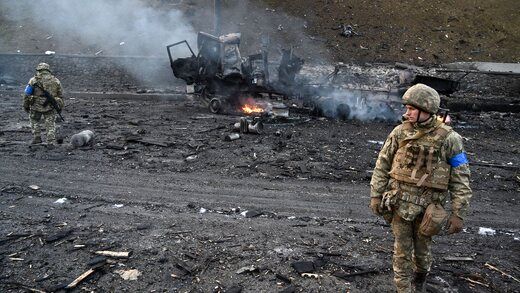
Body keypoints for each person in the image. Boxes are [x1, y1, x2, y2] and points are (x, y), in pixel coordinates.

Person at [369, 83, 472, 293]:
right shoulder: (399, 133)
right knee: (401, 252)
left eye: (412, 109)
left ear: (426, 110)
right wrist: (376, 195)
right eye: (407, 108)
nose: (407, 113)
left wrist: (458, 213)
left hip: (429, 208)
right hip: (399, 203)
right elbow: (383, 164)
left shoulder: (450, 139)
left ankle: (420, 278)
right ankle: (403, 289)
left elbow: (461, 177)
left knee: (423, 252)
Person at [23, 62, 64, 146]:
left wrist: (26, 105)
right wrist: (60, 106)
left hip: (35, 105)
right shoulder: (56, 80)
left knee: (34, 120)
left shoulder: (33, 80)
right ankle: (50, 141)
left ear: (39, 70)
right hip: (50, 106)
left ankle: (37, 138)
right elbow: (60, 95)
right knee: (50, 124)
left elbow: (27, 94)